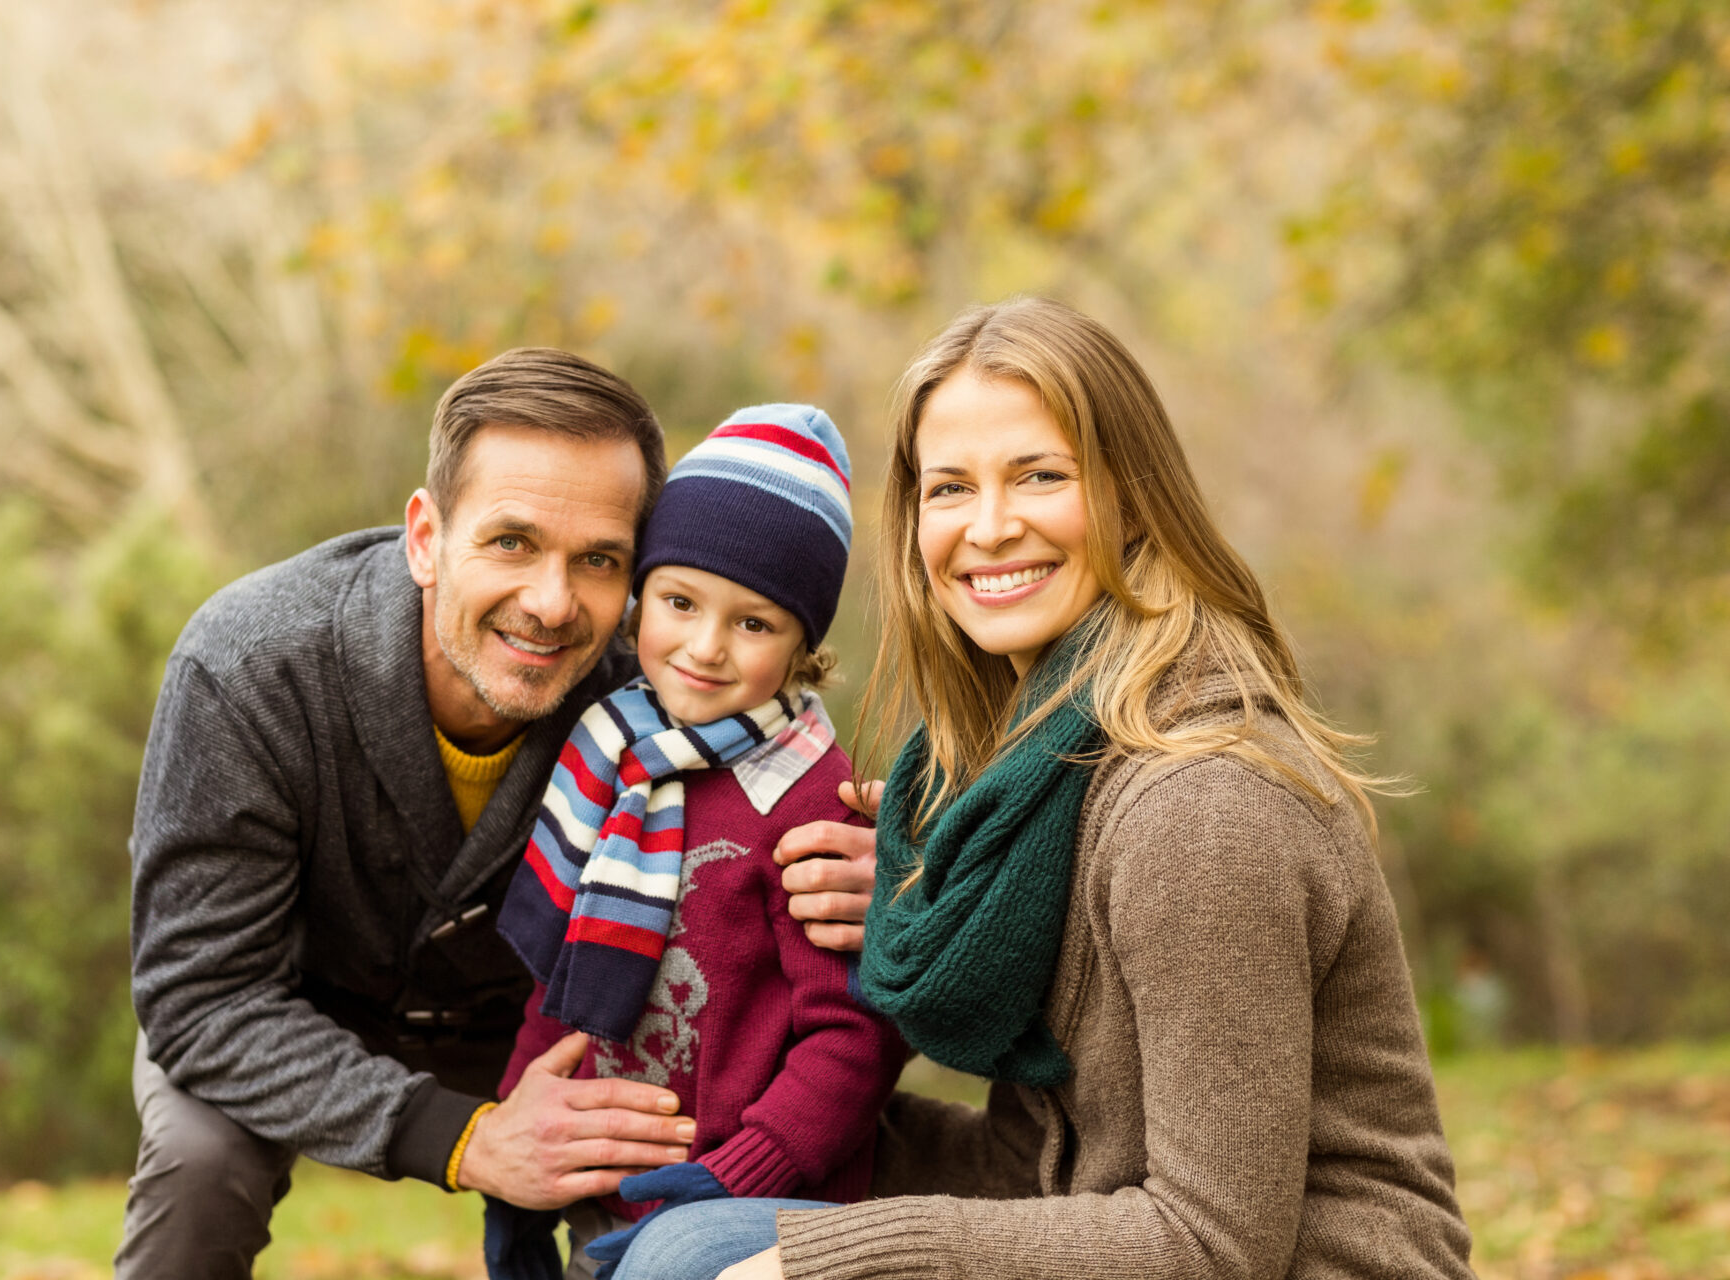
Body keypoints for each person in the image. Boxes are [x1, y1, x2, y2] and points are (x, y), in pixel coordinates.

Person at [611, 298, 1477, 1280]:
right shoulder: (1030, 779)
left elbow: (1213, 1242)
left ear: (1132, 494)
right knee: (677, 1238)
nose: (988, 527)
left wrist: (833, 1256)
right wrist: (729, 1120)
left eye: (1039, 476)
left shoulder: (1199, 808)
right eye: (949, 488)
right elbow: (1053, 1160)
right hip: (1128, 1229)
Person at [114, 351, 879, 1280]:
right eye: (511, 542)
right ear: (427, 536)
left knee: (692, 1127)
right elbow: (203, 1001)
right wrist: (471, 1139)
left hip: (548, 1021)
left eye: (598, 561)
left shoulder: (667, 688)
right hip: (283, 1013)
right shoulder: (249, 670)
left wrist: (885, 869)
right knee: (202, 1157)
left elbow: (785, 760)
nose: (552, 604)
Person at [480, 405, 910, 1280]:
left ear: (802, 646)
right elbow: (562, 983)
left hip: (750, 1210)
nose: (706, 647)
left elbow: (855, 1037)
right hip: (610, 1186)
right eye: (680, 602)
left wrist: (737, 1174)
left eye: (754, 624)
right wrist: (509, 1128)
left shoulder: (810, 805)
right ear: (643, 599)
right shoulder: (614, 753)